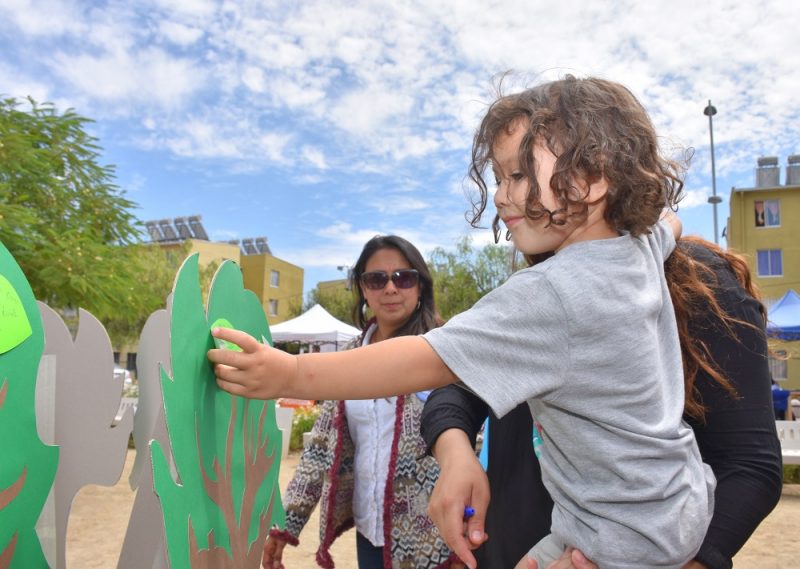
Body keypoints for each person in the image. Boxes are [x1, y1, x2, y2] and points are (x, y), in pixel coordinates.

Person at [208, 75, 715, 569]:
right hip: (679, 504)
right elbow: (669, 222)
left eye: (517, 175)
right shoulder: (638, 248)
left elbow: (424, 358)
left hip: (613, 539)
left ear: (591, 179)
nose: (499, 195)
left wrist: (291, 375)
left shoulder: (554, 292)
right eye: (498, 178)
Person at [422, 236, 784, 569]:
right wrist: (455, 455)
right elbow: (455, 388)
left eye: (522, 172)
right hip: (515, 551)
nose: (506, 195)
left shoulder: (696, 280)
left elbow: (750, 466)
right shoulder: (538, 288)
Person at [260, 235, 456, 569]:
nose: (390, 288)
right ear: (363, 289)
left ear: (420, 286)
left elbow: (476, 449)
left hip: (438, 544)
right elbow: (319, 448)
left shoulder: (446, 351)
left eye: (403, 277)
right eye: (376, 279)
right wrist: (286, 524)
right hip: (371, 533)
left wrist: (463, 537)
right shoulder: (350, 357)